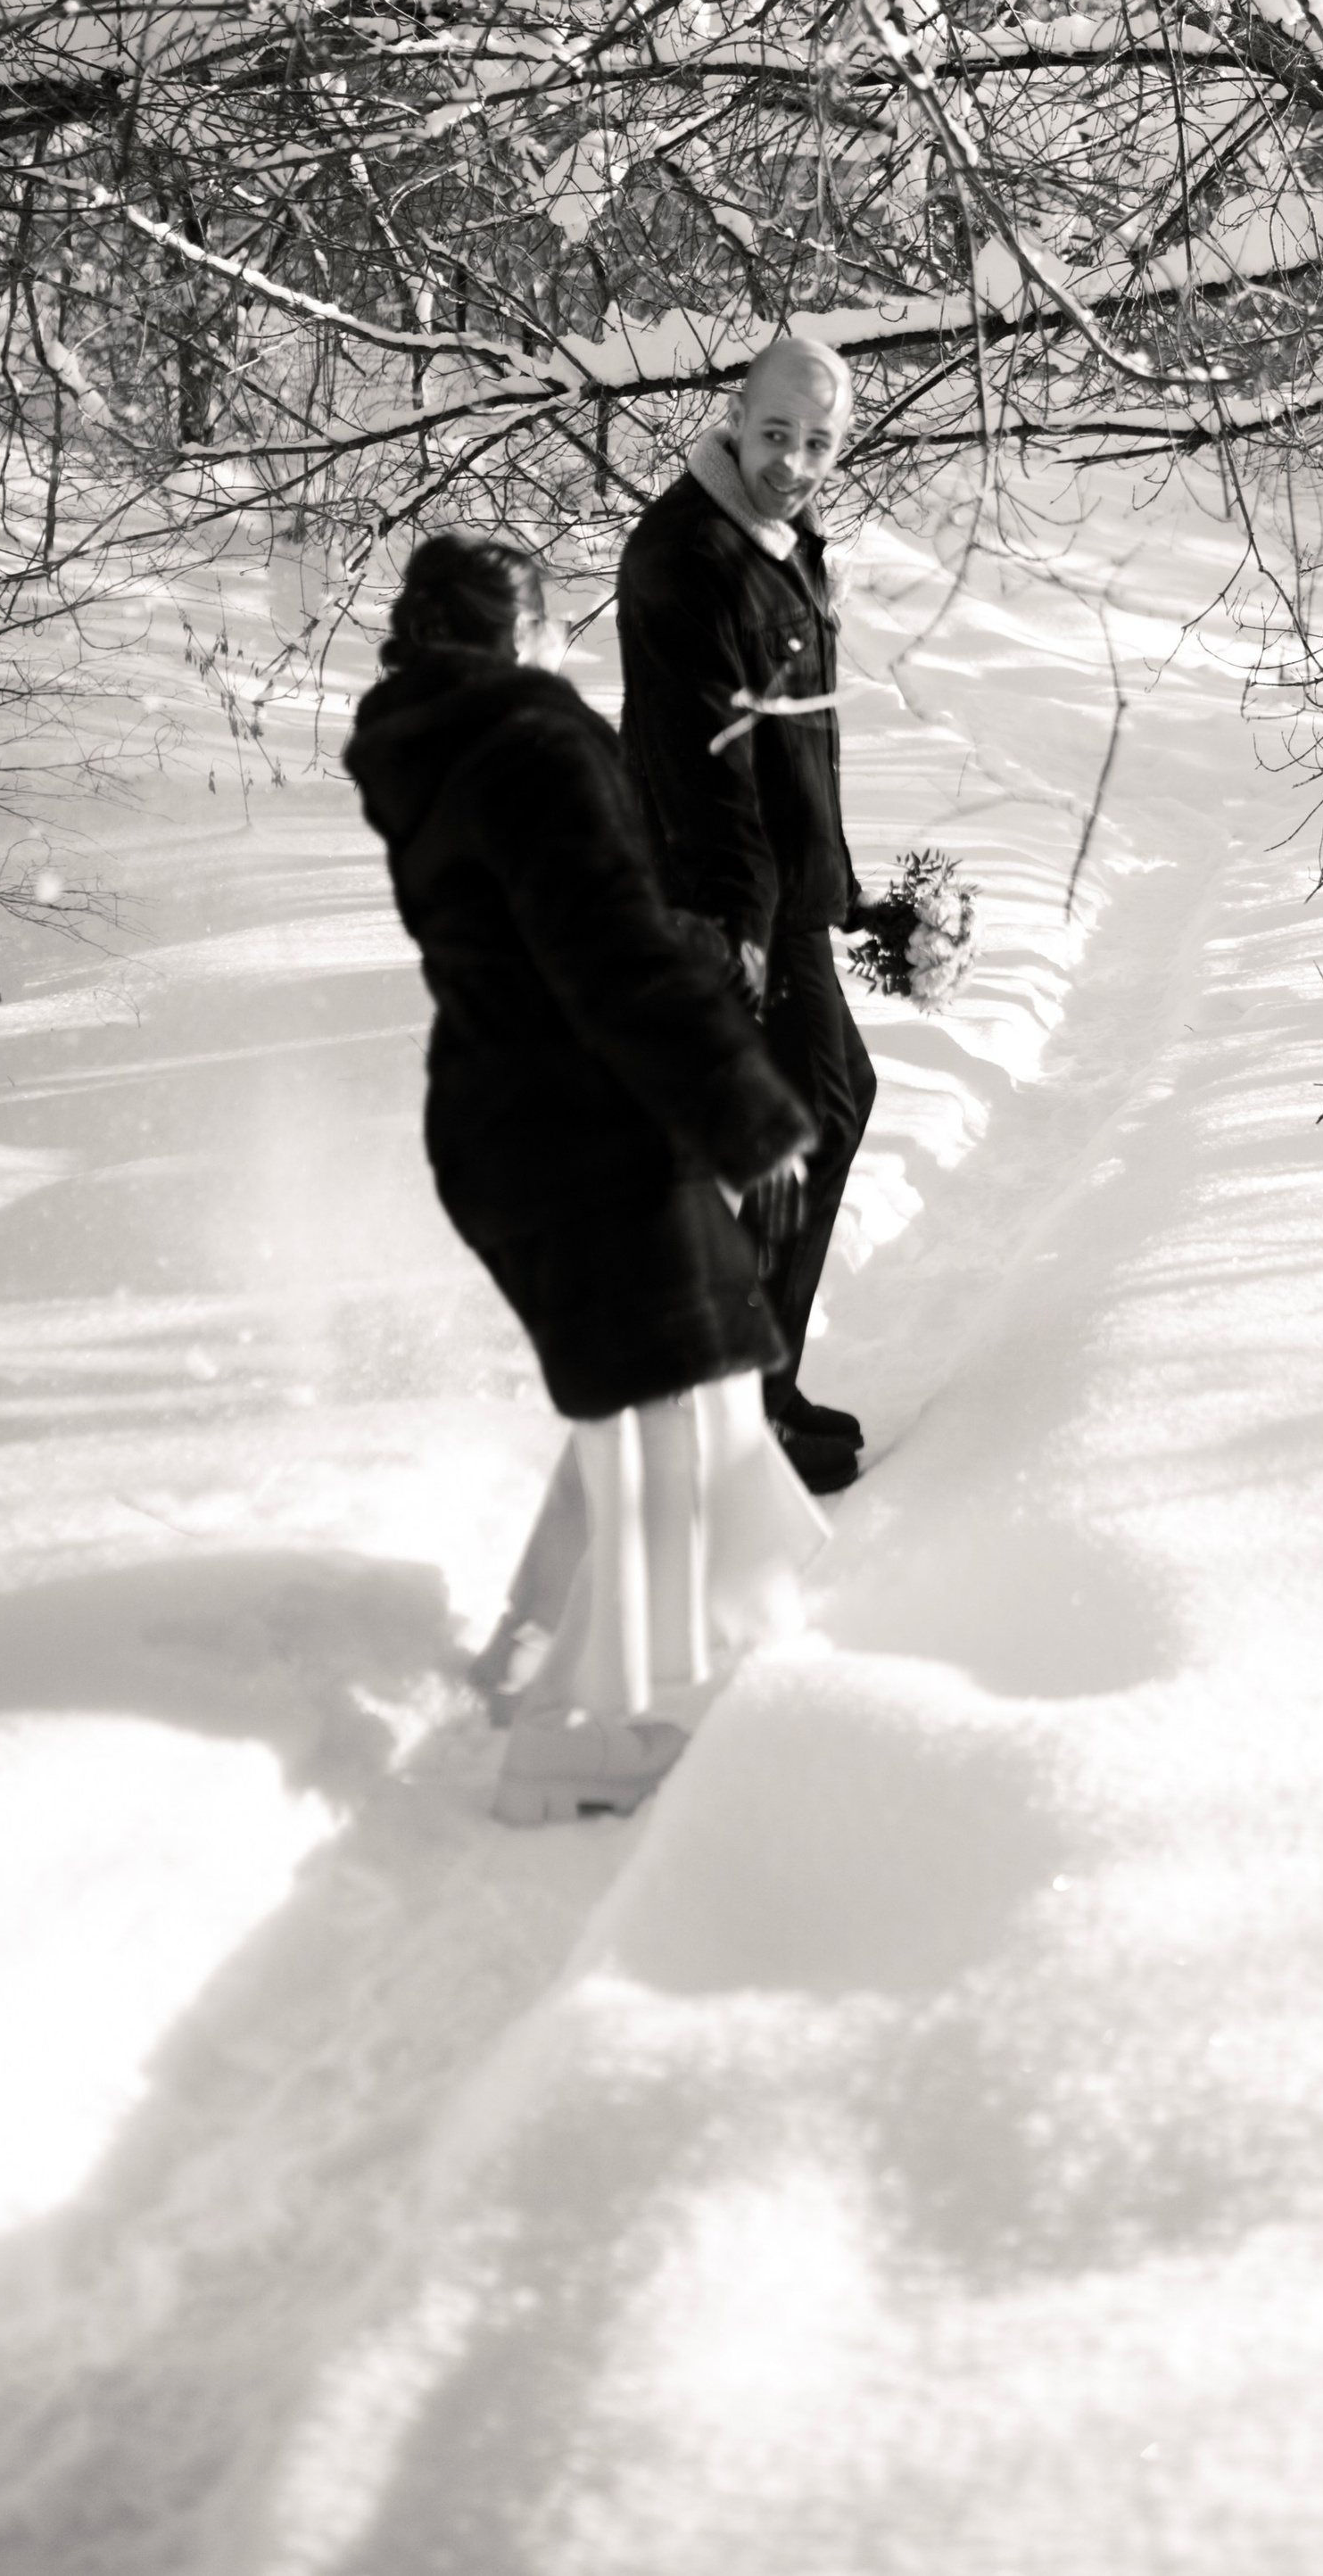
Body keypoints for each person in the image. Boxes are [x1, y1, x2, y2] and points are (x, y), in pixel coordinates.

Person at [343, 530, 824, 1823]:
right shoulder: (532, 744)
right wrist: (745, 1111)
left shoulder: (437, 742)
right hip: (579, 1125)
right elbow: (598, 949)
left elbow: (540, 926)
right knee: (675, 1403)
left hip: (513, 1121)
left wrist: (679, 947)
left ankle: (522, 1654)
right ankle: (589, 1732)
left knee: (661, 1388)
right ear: (534, 633)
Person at [616, 335, 905, 1497]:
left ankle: (754, 1386)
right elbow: (709, 766)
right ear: (736, 417)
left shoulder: (779, 547)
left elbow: (795, 753)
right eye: (777, 435)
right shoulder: (689, 558)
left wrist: (850, 897)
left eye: (820, 443)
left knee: (839, 1103)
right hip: (717, 890)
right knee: (801, 1121)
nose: (795, 461)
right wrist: (740, 928)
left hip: (776, 892)